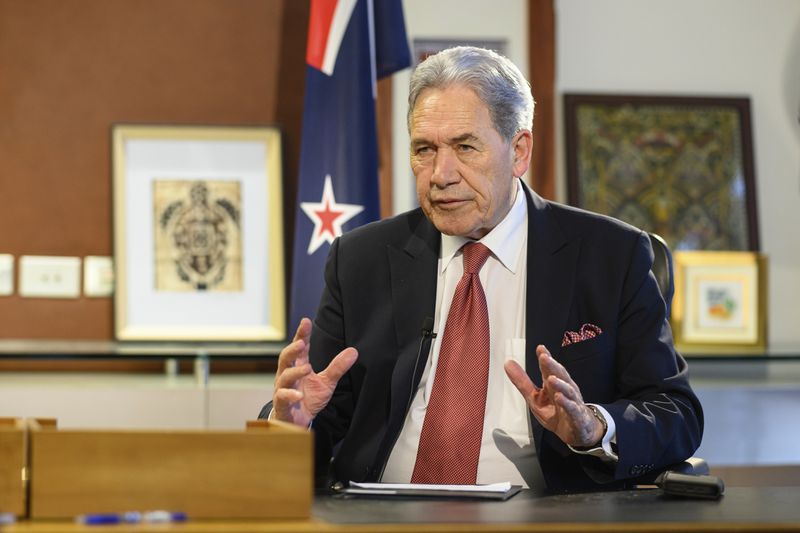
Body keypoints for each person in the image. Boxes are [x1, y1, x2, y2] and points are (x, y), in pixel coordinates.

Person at [262, 46, 703, 492]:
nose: (440, 174)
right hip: (380, 513)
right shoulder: (362, 259)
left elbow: (675, 414)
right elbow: (317, 414)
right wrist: (289, 425)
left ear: (519, 150)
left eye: (464, 146)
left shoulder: (611, 255)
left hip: (542, 517)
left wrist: (593, 427)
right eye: (424, 149)